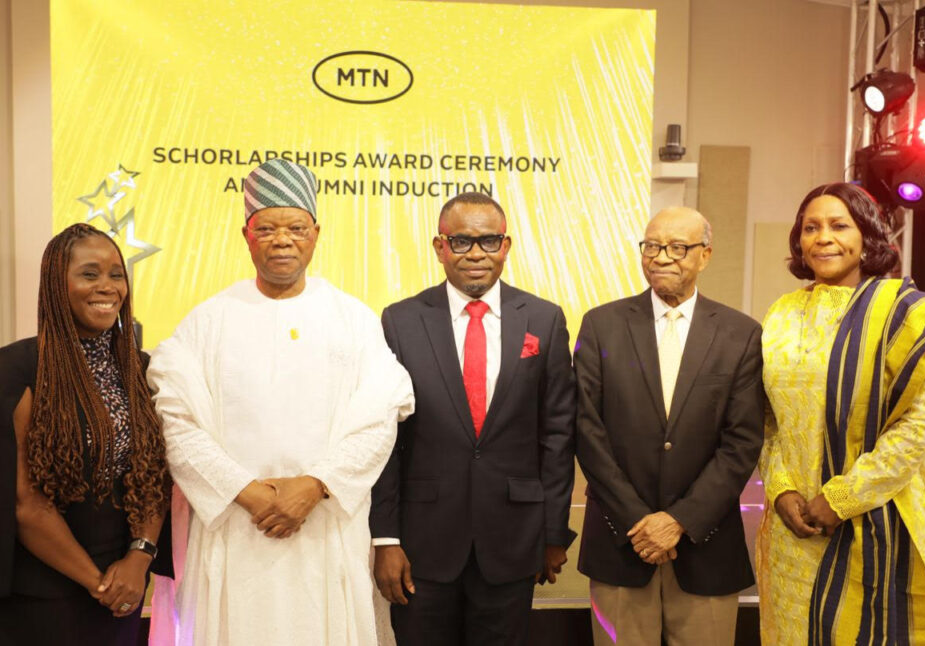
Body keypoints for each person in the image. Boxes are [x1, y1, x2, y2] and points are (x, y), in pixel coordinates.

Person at [146, 158, 414, 646]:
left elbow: (379, 419)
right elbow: (176, 423)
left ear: (316, 233)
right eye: (266, 228)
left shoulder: (352, 319)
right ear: (246, 235)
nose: (282, 240)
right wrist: (244, 491)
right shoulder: (207, 322)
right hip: (234, 527)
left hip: (325, 529)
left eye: (295, 228)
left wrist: (316, 485)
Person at [756, 182, 925, 645]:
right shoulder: (781, 315)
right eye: (811, 228)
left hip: (884, 517)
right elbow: (768, 420)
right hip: (796, 530)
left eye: (839, 226)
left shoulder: (908, 313)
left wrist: (842, 498)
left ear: (867, 236)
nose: (823, 238)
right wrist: (781, 490)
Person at [370, 192, 577, 645]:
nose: (476, 253)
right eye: (461, 241)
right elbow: (385, 439)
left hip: (514, 539)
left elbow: (558, 435)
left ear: (506, 246)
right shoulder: (401, 321)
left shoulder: (544, 319)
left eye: (489, 241)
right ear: (440, 247)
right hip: (422, 544)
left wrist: (553, 533)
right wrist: (385, 538)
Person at [0, 223, 172, 646]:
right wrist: (98, 583)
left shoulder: (140, 367)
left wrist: (139, 556)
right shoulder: (19, 366)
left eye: (116, 275)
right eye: (89, 274)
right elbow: (26, 503)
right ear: (57, 283)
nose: (107, 286)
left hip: (123, 583)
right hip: (38, 592)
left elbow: (154, 474)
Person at [574, 207, 764, 646]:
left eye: (678, 247)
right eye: (652, 246)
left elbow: (742, 441)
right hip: (622, 542)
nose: (661, 257)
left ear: (705, 255)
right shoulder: (601, 325)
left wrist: (679, 520)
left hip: (706, 544)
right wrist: (638, 521)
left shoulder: (740, 333)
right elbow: (587, 430)